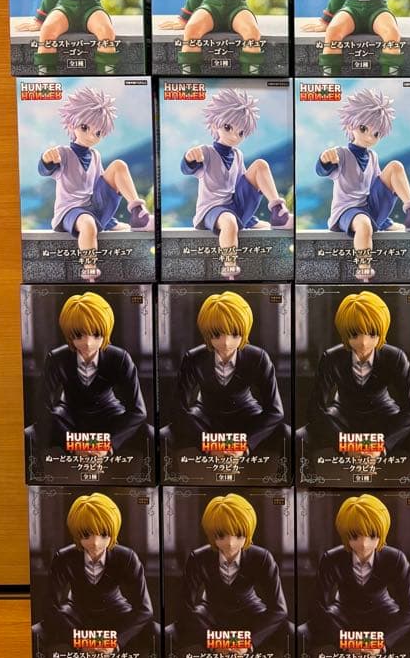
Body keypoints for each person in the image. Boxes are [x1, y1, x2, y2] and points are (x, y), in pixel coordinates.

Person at [37, 85, 153, 282]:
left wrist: (108, 218)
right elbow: (45, 169)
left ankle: (138, 214)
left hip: (93, 206)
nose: (91, 135)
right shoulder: (63, 153)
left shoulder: (96, 155)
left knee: (118, 165)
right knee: (88, 224)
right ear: (72, 124)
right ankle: (89, 266)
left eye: (98, 133)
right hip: (72, 211)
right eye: (85, 128)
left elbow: (101, 186)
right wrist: (47, 159)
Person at [300, 291, 410, 463]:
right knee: (300, 437)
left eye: (372, 334)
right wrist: (346, 446)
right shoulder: (331, 357)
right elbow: (315, 409)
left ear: (382, 331)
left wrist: (380, 446)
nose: (364, 343)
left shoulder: (395, 357)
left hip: (384, 413)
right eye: (355, 334)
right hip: (342, 415)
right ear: (345, 333)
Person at [181, 87, 292, 279]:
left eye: (240, 133)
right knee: (229, 222)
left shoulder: (238, 155)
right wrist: (190, 158)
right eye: (228, 127)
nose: (234, 136)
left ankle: (278, 211)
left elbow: (243, 183)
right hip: (213, 209)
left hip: (234, 205)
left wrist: (248, 211)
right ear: (215, 124)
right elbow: (188, 168)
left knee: (260, 165)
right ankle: (229, 263)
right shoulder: (206, 152)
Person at [163, 291, 288, 461]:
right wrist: (210, 445)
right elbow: (178, 408)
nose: (226, 343)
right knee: (164, 434)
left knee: (286, 433)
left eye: (234, 334)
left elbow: (275, 410)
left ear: (244, 331)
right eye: (217, 334)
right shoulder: (193, 358)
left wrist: (244, 445)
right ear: (207, 333)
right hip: (204, 415)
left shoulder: (258, 357)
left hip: (247, 414)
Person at [316, 87, 410, 281]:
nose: (369, 137)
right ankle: (364, 266)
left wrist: (383, 213)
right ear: (351, 125)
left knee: (395, 166)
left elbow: (378, 185)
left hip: (368, 207)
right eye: (363, 129)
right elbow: (322, 170)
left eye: (375, 134)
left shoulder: (373, 156)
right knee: (364, 224)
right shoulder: (341, 154)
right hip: (348, 211)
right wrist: (325, 160)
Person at [33, 492, 156, 658]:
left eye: (104, 534)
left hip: (117, 612)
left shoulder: (127, 557)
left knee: (157, 632)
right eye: (86, 535)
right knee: (35, 632)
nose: (95, 543)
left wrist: (114, 643)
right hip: (76, 613)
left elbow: (145, 609)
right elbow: (49, 606)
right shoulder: (64, 557)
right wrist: (79, 641)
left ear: (113, 532)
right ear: (77, 534)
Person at [29, 292, 150, 464]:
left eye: (96, 335)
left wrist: (108, 445)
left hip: (109, 414)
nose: (88, 343)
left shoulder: (120, 358)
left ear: (106, 332)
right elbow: (42, 408)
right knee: (30, 434)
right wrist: (74, 445)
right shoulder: (56, 358)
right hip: (68, 416)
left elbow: (138, 411)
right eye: (79, 335)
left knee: (150, 434)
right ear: (69, 334)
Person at [300, 494, 410, 658]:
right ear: (345, 535)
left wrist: (381, 643)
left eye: (372, 535)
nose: (364, 544)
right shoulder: (331, 558)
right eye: (355, 536)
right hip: (342, 614)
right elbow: (317, 607)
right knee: (301, 633)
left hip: (384, 612)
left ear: (382, 533)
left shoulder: (395, 558)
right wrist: (345, 642)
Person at [170, 494, 290, 653]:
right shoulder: (198, 558)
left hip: (250, 610)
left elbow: (279, 609)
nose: (230, 543)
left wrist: (247, 643)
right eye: (221, 535)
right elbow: (184, 608)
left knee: (289, 630)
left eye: (238, 535)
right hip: (210, 612)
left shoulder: (262, 557)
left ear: (248, 532)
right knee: (171, 631)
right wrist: (215, 644)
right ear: (212, 534)